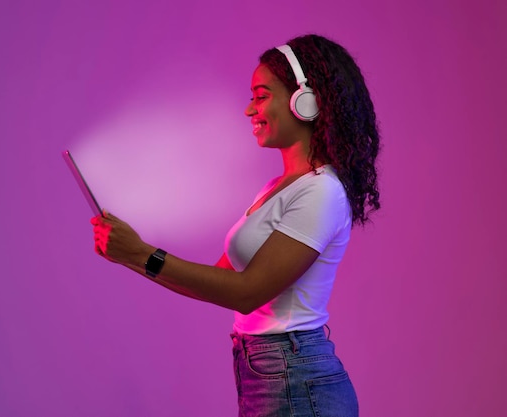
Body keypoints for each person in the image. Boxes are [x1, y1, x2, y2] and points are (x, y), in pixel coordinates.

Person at [91, 34, 380, 417]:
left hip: (296, 380)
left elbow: (247, 292)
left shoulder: (321, 192)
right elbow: (218, 281)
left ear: (306, 101)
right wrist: (129, 255)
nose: (249, 110)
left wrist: (141, 253)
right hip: (270, 373)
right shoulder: (277, 189)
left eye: (261, 96)